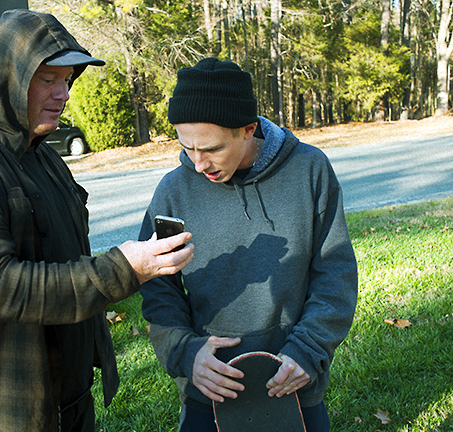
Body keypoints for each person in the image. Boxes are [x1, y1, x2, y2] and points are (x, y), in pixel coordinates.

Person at [0, 10, 193, 432]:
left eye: (67, 80)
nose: (62, 94)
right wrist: (123, 268)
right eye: (47, 79)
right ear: (7, 79)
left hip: (66, 401)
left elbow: (62, 257)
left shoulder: (45, 156)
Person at [138, 57, 358, 432]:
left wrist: (308, 350)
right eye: (187, 148)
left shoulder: (309, 170)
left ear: (248, 129)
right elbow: (159, 287)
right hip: (208, 391)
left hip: (293, 385)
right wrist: (185, 353)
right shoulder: (174, 190)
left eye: (211, 148)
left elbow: (334, 273)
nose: (198, 163)